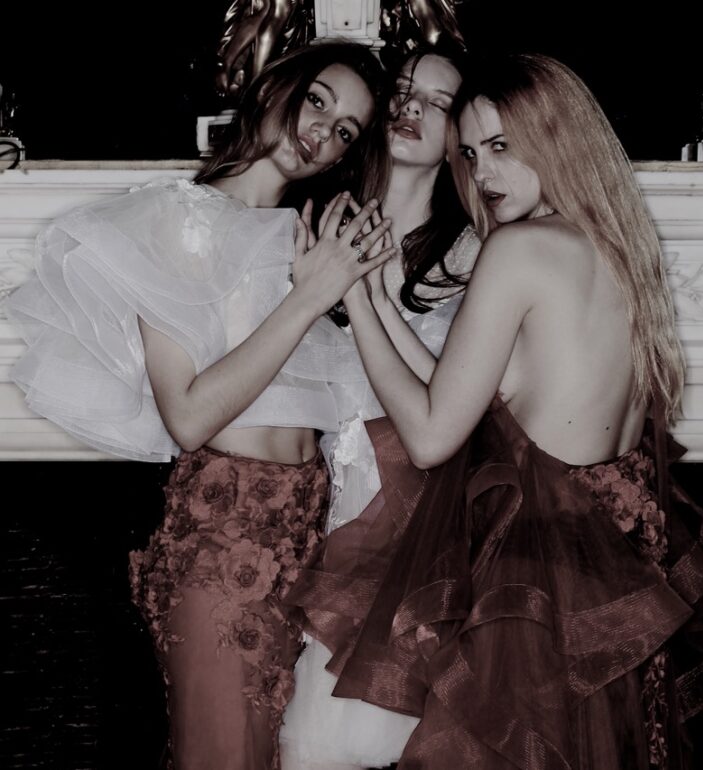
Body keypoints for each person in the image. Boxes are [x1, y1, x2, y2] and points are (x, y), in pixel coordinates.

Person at [287, 54, 703, 768]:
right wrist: (375, 299)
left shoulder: (517, 249)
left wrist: (346, 292)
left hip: (527, 584)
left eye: (502, 146)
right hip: (605, 576)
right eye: (472, 154)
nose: (483, 172)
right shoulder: (619, 253)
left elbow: (432, 437)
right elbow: (470, 392)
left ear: (555, 136)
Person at [6, 40, 396, 770]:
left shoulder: (307, 241)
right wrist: (312, 295)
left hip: (307, 543)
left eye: (346, 130)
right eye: (317, 100)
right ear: (274, 88)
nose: (323, 131)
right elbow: (187, 416)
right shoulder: (178, 219)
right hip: (225, 540)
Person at [280, 49, 481, 770]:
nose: (412, 107)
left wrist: (377, 295)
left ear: (458, 135)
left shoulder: (473, 256)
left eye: (438, 101)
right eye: (402, 90)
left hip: (411, 550)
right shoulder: (311, 225)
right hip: (303, 539)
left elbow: (465, 414)